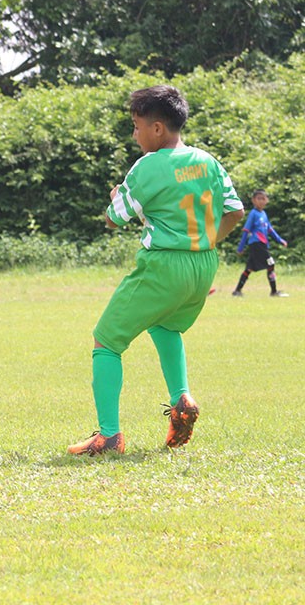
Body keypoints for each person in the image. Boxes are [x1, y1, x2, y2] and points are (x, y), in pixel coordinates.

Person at [68, 85, 244, 457]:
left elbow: (115, 219)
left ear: (158, 128)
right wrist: (207, 244)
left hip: (164, 264)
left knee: (106, 341)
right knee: (165, 326)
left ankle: (108, 436)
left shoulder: (148, 166)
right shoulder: (207, 161)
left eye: (137, 126)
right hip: (203, 264)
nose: (135, 134)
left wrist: (117, 197)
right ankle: (181, 398)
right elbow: (234, 211)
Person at [232, 189, 289, 297]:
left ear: (267, 200)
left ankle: (237, 291)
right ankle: (274, 291)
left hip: (261, 244)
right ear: (253, 200)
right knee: (271, 264)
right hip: (257, 244)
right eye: (259, 199)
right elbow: (246, 230)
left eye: (264, 199)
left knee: (249, 269)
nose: (261, 201)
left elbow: (270, 229)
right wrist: (241, 247)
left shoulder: (263, 214)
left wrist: (280, 240)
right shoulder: (253, 214)